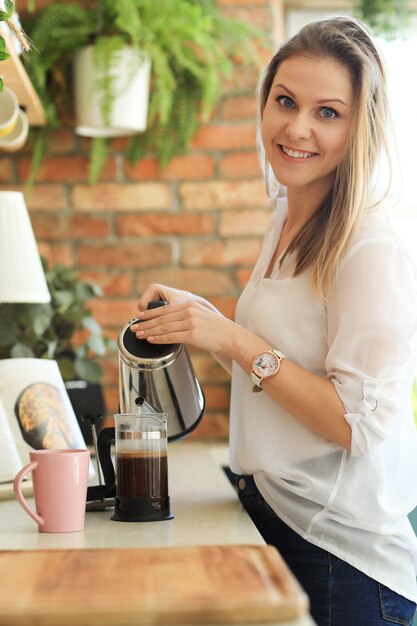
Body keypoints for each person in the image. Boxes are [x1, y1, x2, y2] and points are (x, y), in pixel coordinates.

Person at [130, 16, 417, 626]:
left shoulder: (370, 246)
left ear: (359, 126)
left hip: (343, 558)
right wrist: (200, 320)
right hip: (278, 515)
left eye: (328, 112)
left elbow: (357, 424)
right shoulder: (285, 215)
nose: (297, 128)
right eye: (285, 102)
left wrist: (233, 336)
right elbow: (285, 352)